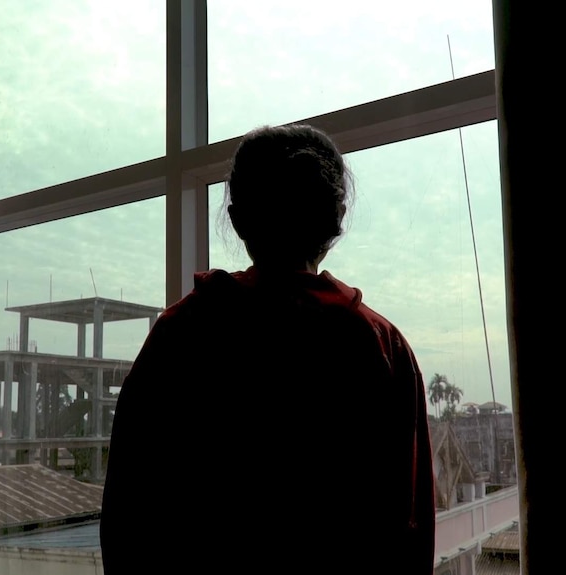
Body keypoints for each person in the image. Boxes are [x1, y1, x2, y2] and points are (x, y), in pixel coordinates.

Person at [100, 124, 435, 574]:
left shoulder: (181, 334)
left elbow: (130, 511)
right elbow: (406, 527)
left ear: (238, 221)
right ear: (337, 218)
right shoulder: (381, 345)